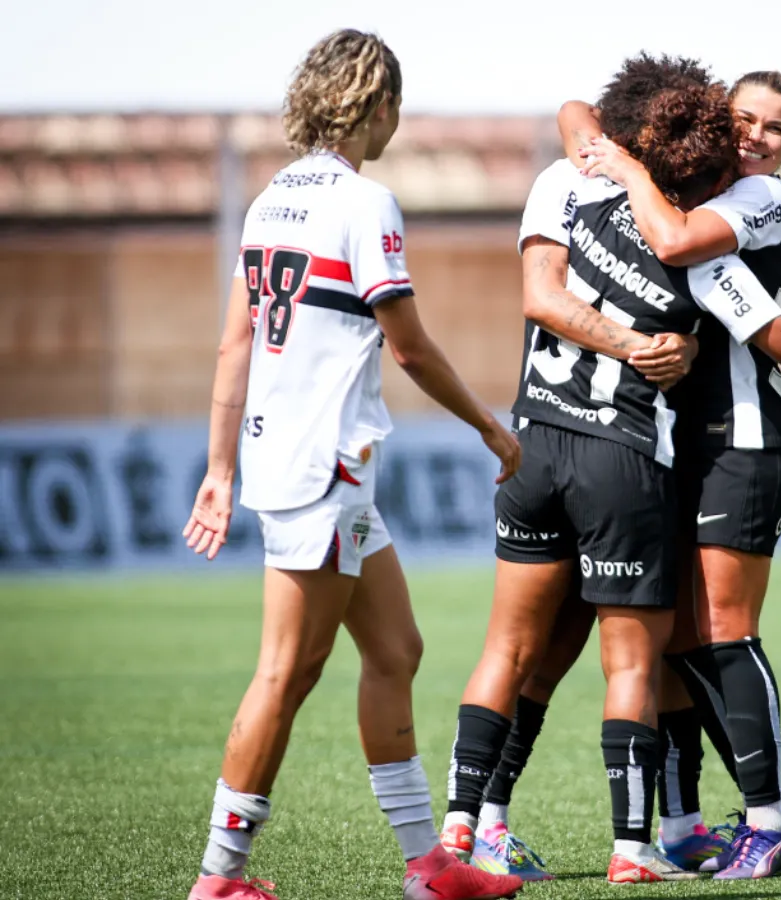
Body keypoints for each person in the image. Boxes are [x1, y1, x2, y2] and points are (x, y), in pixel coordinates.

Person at [475, 63, 781, 881]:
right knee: (664, 640)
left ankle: (765, 816)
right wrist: (608, 151)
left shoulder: (752, 205)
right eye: (744, 120)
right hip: (661, 450)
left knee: (718, 630)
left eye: (775, 128)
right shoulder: (674, 200)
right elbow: (576, 110)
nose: (756, 136)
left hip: (746, 444)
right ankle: (689, 823)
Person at [181, 29, 525, 900]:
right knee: (285, 672)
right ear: (378, 105)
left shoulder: (268, 202)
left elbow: (233, 345)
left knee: (396, 648)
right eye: (395, 106)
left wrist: (219, 468)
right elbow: (409, 348)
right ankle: (219, 879)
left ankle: (427, 867)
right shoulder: (366, 203)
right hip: (323, 469)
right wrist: (490, 426)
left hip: (304, 464)